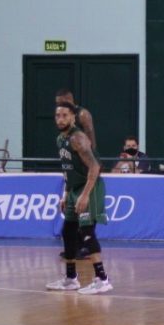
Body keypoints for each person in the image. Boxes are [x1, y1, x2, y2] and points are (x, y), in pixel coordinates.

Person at [46, 101, 112, 294]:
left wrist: (84, 195)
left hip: (90, 187)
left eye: (65, 115)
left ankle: (102, 279)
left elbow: (95, 167)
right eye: (58, 116)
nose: (60, 119)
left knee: (86, 231)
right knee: (68, 231)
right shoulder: (61, 139)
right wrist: (66, 194)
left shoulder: (77, 138)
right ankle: (71, 278)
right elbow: (68, 169)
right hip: (74, 189)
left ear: (73, 117)